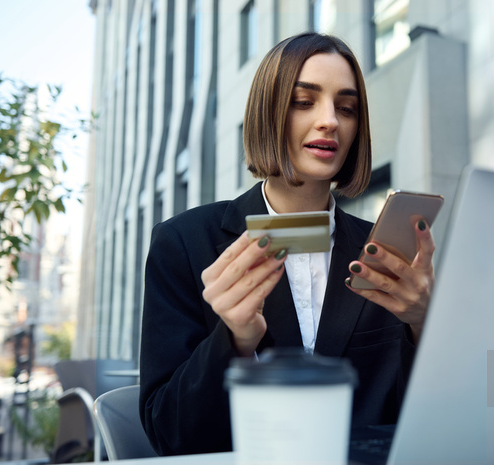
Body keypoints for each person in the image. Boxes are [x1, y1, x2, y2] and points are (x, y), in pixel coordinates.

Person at [139, 32, 436, 455]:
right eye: (304, 101)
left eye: (346, 108)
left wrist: (424, 323)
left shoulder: (384, 252)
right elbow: (169, 435)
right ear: (269, 112)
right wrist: (235, 338)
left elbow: (424, 418)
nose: (330, 120)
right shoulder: (184, 242)